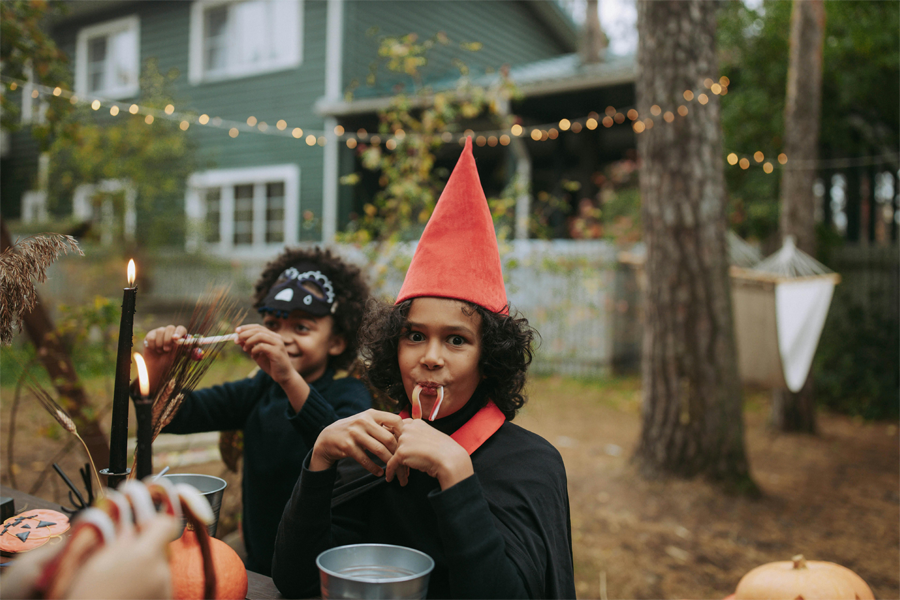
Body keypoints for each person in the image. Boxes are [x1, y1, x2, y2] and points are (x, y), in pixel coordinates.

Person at [272, 139, 575, 600]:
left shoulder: (531, 465)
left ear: (487, 355)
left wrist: (456, 472)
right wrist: (318, 463)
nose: (429, 357)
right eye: (414, 335)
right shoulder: (375, 454)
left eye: (456, 339)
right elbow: (298, 584)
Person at [142, 247, 372, 576]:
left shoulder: (351, 394)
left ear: (336, 342)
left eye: (301, 328)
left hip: (320, 573)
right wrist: (156, 371)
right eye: (272, 324)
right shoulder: (259, 390)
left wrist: (288, 378)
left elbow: (343, 448)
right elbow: (174, 416)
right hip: (259, 567)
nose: (282, 338)